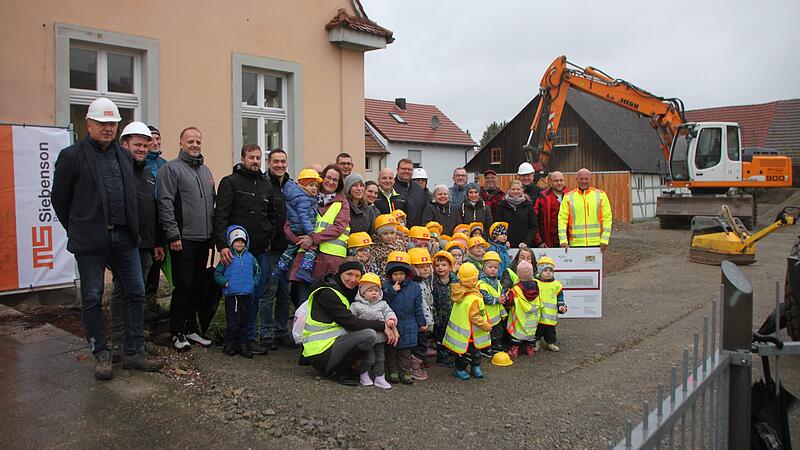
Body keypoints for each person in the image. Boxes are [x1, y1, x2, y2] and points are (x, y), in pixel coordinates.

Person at [52, 98, 161, 379]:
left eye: (112, 123)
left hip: (124, 237)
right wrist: (77, 229)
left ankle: (133, 351)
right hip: (91, 240)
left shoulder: (124, 156)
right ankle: (101, 353)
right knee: (91, 296)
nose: (107, 128)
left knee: (135, 291)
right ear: (89, 124)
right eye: (102, 123)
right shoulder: (72, 156)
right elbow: (60, 199)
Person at [109, 122, 165, 362]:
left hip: (145, 244)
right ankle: (121, 341)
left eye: (145, 144)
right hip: (123, 244)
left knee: (137, 293)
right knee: (124, 292)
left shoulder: (147, 174)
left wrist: (156, 242)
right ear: (124, 144)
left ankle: (134, 340)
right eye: (137, 145)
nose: (143, 149)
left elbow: (150, 211)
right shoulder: (117, 171)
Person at [157, 126, 216, 351]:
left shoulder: (206, 171)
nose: (194, 145)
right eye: (190, 141)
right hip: (183, 239)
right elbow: (165, 203)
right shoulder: (171, 170)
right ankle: (177, 331)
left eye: (198, 142)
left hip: (204, 239)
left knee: (197, 286)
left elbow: (211, 204)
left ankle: (191, 329)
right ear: (181, 143)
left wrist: (212, 236)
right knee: (183, 286)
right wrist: (172, 233)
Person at [214, 143, 276, 356]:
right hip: (235, 253)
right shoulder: (230, 183)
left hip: (259, 250)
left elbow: (272, 216)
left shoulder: (266, 185)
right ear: (242, 158)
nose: (255, 161)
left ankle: (249, 338)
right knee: (235, 296)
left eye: (258, 157)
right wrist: (222, 245)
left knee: (255, 295)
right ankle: (234, 339)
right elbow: (220, 216)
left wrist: (269, 237)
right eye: (251, 157)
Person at [301, 261, 398, 386]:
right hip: (321, 352)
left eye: (358, 276)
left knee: (368, 333)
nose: (353, 279)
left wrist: (392, 325)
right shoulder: (327, 293)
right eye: (349, 274)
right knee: (369, 335)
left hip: (331, 346)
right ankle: (339, 371)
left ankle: (348, 368)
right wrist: (382, 325)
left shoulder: (346, 289)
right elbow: (350, 322)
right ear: (340, 273)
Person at [288, 165, 350, 305]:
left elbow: (338, 227)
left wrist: (313, 239)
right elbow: (291, 223)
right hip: (307, 258)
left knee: (326, 302)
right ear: (322, 179)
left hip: (330, 261)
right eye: (328, 177)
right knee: (304, 302)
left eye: (335, 179)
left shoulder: (342, 203)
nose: (331, 182)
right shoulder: (308, 196)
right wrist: (298, 240)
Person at [261, 149, 294, 349]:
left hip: (288, 248)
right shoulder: (264, 185)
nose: (280, 165)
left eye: (283, 161)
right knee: (268, 291)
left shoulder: (291, 187)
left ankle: (281, 331)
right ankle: (265, 333)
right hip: (271, 248)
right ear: (269, 162)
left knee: (284, 292)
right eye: (276, 162)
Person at [214, 226, 261, 358]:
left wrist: (253, 283)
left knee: (245, 321)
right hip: (232, 295)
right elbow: (218, 274)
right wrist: (225, 283)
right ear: (231, 243)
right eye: (236, 241)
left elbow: (258, 272)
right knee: (233, 323)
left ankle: (243, 345)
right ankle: (229, 345)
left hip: (246, 294)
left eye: (242, 241)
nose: (240, 243)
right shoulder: (227, 258)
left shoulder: (250, 257)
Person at [382, 251, 427, 385]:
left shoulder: (414, 288)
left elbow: (418, 307)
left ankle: (405, 372)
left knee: (405, 352)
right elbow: (381, 303)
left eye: (401, 274)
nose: (399, 277)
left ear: (407, 274)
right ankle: (392, 371)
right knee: (391, 351)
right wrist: (391, 291)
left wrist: (421, 322)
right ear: (391, 275)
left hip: (409, 323)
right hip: (392, 324)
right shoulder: (385, 287)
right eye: (395, 274)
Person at [444, 262, 492, 380]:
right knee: (472, 353)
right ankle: (464, 368)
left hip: (464, 333)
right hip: (471, 333)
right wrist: (485, 326)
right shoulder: (473, 296)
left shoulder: (459, 292)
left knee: (465, 353)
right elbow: (475, 317)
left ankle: (471, 367)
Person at [350, 272, 398, 389]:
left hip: (380, 337)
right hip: (366, 338)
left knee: (381, 358)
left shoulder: (382, 304)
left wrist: (391, 319)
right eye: (370, 290)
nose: (374, 293)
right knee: (369, 358)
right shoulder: (356, 305)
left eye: (376, 290)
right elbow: (351, 320)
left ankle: (380, 377)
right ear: (362, 293)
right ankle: (364, 373)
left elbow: (388, 312)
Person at [273, 169, 321, 282]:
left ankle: (280, 267)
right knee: (313, 249)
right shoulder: (304, 199)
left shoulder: (296, 195)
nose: (314, 188)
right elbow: (303, 217)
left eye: (316, 186)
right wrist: (312, 233)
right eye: (311, 185)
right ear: (303, 186)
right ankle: (305, 269)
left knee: (291, 249)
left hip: (295, 227)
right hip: (301, 228)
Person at [143, 124, 169, 319]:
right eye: (151, 138)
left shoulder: (164, 165)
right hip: (145, 225)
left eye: (158, 138)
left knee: (156, 265)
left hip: (162, 224)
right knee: (144, 266)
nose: (156, 142)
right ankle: (140, 306)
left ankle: (151, 303)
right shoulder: (139, 164)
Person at [558, 168, 613, 252]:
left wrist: (605, 240)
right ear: (576, 179)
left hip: (597, 244)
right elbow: (562, 219)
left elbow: (607, 218)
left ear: (591, 179)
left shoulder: (601, 195)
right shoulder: (568, 197)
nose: (584, 181)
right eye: (581, 179)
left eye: (586, 179)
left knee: (595, 266)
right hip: (575, 244)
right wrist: (563, 240)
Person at [504, 260, 542, 359]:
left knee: (516, 335)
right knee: (531, 334)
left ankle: (514, 350)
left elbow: (509, 303)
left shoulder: (515, 289)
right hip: (532, 319)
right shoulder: (537, 287)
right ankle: (530, 349)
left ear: (518, 275)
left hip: (519, 319)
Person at [408, 247, 434, 381]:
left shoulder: (424, 282)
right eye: (421, 266)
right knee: (419, 346)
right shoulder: (415, 285)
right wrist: (427, 322)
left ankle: (418, 362)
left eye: (427, 266)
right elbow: (422, 305)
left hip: (423, 321)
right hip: (420, 322)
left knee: (421, 344)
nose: (426, 269)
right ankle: (414, 367)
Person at [533, 256, 566, 352]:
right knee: (537, 330)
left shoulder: (556, 285)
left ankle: (550, 343)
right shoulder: (535, 282)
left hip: (550, 315)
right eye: (545, 270)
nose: (548, 272)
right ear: (539, 271)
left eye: (550, 270)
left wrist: (561, 305)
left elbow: (560, 296)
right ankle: (536, 342)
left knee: (550, 331)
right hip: (538, 314)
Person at [432, 250, 457, 367]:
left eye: (444, 265)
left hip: (454, 314)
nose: (440, 268)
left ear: (450, 266)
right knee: (440, 337)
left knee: (453, 335)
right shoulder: (433, 282)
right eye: (437, 265)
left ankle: (452, 354)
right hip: (440, 316)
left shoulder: (456, 281)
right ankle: (441, 358)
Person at [478, 251, 506, 355]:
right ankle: (486, 348)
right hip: (486, 315)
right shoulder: (481, 282)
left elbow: (500, 290)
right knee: (486, 333)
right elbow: (486, 297)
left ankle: (496, 345)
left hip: (496, 315)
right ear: (483, 267)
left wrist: (503, 295)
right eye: (490, 267)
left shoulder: (497, 281)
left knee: (497, 331)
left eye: (496, 267)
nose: (493, 270)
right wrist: (498, 300)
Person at [495, 180, 537, 248]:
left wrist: (526, 242)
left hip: (525, 246)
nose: (515, 191)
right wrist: (504, 241)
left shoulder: (528, 206)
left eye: (518, 189)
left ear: (522, 190)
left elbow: (533, 227)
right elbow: (499, 225)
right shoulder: (501, 206)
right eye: (513, 189)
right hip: (506, 246)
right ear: (508, 190)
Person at [534, 171, 567, 248]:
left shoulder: (570, 197)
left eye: (561, 180)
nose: (559, 183)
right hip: (549, 242)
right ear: (550, 182)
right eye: (556, 181)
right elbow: (535, 221)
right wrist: (539, 241)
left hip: (567, 242)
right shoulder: (542, 198)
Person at [393, 158, 428, 227]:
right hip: (396, 232)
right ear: (397, 170)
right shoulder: (391, 187)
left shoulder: (418, 188)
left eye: (409, 169)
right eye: (403, 169)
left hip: (415, 233)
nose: (406, 171)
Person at [370, 214, 405, 278]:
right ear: (379, 235)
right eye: (385, 233)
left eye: (392, 233)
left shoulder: (401, 245)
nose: (389, 236)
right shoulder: (376, 249)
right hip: (385, 279)